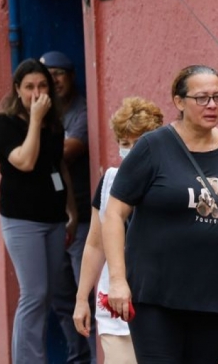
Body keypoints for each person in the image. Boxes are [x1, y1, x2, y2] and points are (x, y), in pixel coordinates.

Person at [102, 65, 218, 363]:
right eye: (202, 98)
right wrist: (118, 280)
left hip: (212, 297)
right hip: (156, 297)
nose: (212, 105)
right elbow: (114, 213)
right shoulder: (152, 147)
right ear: (179, 101)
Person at [0, 58, 78, 363]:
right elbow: (25, 161)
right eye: (29, 87)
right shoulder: (5, 124)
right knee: (34, 294)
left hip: (54, 219)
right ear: (17, 89)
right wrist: (36, 121)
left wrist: (72, 211)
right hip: (21, 219)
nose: (36, 92)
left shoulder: (55, 122)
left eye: (42, 86)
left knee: (47, 296)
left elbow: (59, 167)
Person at [73, 97, 164, 364]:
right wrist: (81, 300)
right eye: (125, 144)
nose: (132, 151)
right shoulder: (110, 180)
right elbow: (94, 244)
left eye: (140, 143)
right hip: (115, 305)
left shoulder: (170, 183)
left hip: (162, 304)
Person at [40, 50, 97, 363]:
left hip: (83, 219)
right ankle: (78, 359)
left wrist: (32, 144)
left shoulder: (82, 110)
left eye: (60, 73)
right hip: (49, 220)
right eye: (49, 76)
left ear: (71, 76)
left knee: (86, 297)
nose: (54, 80)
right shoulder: (44, 115)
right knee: (61, 299)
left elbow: (68, 150)